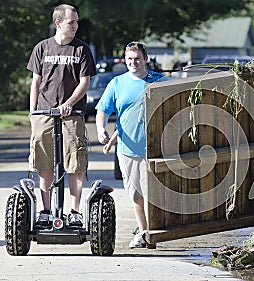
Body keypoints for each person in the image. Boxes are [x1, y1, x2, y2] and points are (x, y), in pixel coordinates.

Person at [27, 4, 97, 227]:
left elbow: (85, 82)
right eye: (71, 22)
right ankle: (46, 211)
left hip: (72, 114)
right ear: (58, 23)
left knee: (75, 163)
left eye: (76, 21)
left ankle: (75, 212)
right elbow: (36, 82)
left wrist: (68, 104)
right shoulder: (42, 48)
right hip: (44, 112)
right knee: (43, 162)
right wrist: (32, 113)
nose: (76, 26)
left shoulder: (81, 49)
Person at [95, 41, 166, 248]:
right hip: (128, 149)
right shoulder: (117, 83)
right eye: (129, 59)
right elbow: (104, 111)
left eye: (137, 59)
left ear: (145, 59)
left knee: (153, 193)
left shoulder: (159, 81)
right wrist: (102, 130)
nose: (133, 63)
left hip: (156, 148)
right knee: (135, 193)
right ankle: (143, 232)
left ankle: (154, 232)